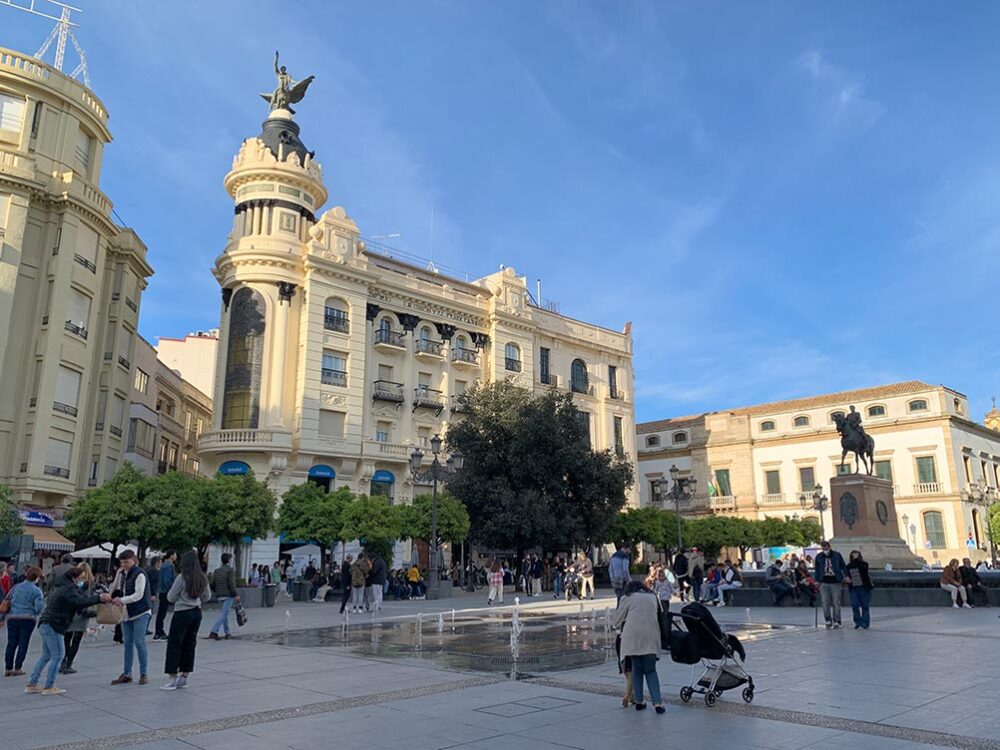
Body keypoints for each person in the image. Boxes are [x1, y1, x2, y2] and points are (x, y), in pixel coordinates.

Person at [25, 567, 111, 695]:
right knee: (58, 655)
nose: (83, 581)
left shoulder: (62, 587)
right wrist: (99, 598)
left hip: (46, 623)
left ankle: (32, 684)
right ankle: (49, 686)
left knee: (46, 655)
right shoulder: (69, 589)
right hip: (54, 624)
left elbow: (78, 603)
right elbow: (79, 602)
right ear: (74, 578)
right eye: (81, 578)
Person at [161, 550, 212, 691]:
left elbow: (170, 597)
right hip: (196, 612)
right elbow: (207, 596)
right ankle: (184, 677)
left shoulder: (182, 577)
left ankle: (172, 678)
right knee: (190, 643)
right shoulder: (202, 578)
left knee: (175, 644)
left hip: (182, 612)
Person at [613, 580, 665, 714]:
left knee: (636, 668)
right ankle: (658, 703)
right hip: (651, 636)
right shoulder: (653, 597)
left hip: (632, 637)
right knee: (651, 670)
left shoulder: (627, 598)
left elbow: (616, 621)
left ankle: (639, 702)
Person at [111, 549, 153, 686]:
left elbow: (138, 594)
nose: (124, 564)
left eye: (126, 562)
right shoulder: (123, 573)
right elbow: (115, 588)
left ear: (133, 560)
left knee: (139, 641)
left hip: (141, 611)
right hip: (126, 613)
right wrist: (118, 574)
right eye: (122, 562)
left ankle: (143, 673)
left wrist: (122, 600)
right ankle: (127, 673)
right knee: (127, 643)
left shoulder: (140, 573)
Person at [4, 566, 44, 677]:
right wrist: (35, 613)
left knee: (11, 642)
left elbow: (8, 599)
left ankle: (8, 668)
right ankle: (18, 667)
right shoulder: (37, 590)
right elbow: (39, 607)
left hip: (13, 617)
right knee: (23, 643)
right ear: (37, 578)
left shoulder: (16, 587)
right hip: (28, 618)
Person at [60, 562, 96, 674]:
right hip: (83, 613)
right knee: (76, 640)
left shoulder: (74, 583)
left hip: (72, 612)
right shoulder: (90, 584)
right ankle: (69, 663)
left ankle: (63, 661)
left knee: (67, 637)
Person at [814, 541, 847, 628]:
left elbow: (843, 566)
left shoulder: (837, 555)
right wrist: (816, 580)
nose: (825, 549)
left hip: (835, 581)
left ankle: (837, 620)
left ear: (829, 546)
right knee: (825, 602)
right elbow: (817, 569)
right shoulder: (819, 556)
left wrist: (845, 576)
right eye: (823, 548)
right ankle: (828, 620)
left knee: (836, 602)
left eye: (826, 547)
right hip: (824, 582)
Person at [208, 553, 239, 640]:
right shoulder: (230, 570)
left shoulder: (217, 570)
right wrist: (236, 594)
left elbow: (212, 584)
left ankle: (227, 632)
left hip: (219, 595)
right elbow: (231, 584)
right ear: (229, 560)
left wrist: (216, 591)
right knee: (224, 614)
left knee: (224, 614)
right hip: (228, 595)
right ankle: (214, 631)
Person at [846, 550, 874, 629]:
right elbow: (848, 572)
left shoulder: (864, 564)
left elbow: (863, 569)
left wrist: (856, 560)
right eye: (853, 554)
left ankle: (865, 622)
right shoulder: (849, 566)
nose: (855, 555)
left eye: (856, 554)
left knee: (865, 605)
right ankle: (857, 621)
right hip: (853, 587)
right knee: (854, 605)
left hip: (863, 587)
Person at [153, 550, 176, 641]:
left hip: (162, 591)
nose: (176, 556)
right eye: (175, 554)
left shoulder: (165, 565)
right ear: (171, 556)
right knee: (162, 612)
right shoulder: (169, 565)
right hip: (165, 591)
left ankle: (159, 631)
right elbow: (167, 580)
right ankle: (159, 632)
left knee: (161, 612)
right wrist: (172, 590)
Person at [144, 557, 161, 636]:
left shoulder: (147, 570)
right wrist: (153, 594)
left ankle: (144, 627)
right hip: (151, 593)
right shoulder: (155, 571)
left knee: (147, 610)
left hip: (146, 592)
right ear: (157, 562)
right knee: (150, 611)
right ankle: (144, 628)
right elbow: (153, 583)